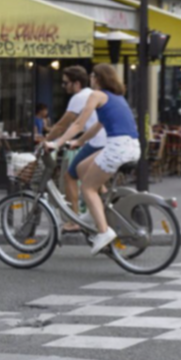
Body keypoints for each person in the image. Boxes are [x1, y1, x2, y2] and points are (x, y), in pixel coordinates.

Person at [46, 63, 141, 255]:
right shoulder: (116, 97)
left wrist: (57, 143)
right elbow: (97, 126)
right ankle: (93, 212)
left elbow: (79, 122)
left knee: (87, 187)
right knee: (81, 168)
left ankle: (104, 232)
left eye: (92, 76)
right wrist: (79, 142)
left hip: (117, 148)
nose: (90, 79)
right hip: (131, 146)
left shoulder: (96, 95)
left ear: (97, 78)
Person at [44, 66, 105, 233]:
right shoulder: (89, 94)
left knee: (70, 176)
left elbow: (62, 125)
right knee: (94, 181)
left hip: (96, 142)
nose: (63, 87)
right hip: (103, 141)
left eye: (65, 83)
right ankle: (102, 213)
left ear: (76, 83)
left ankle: (74, 220)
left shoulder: (79, 97)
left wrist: (45, 141)